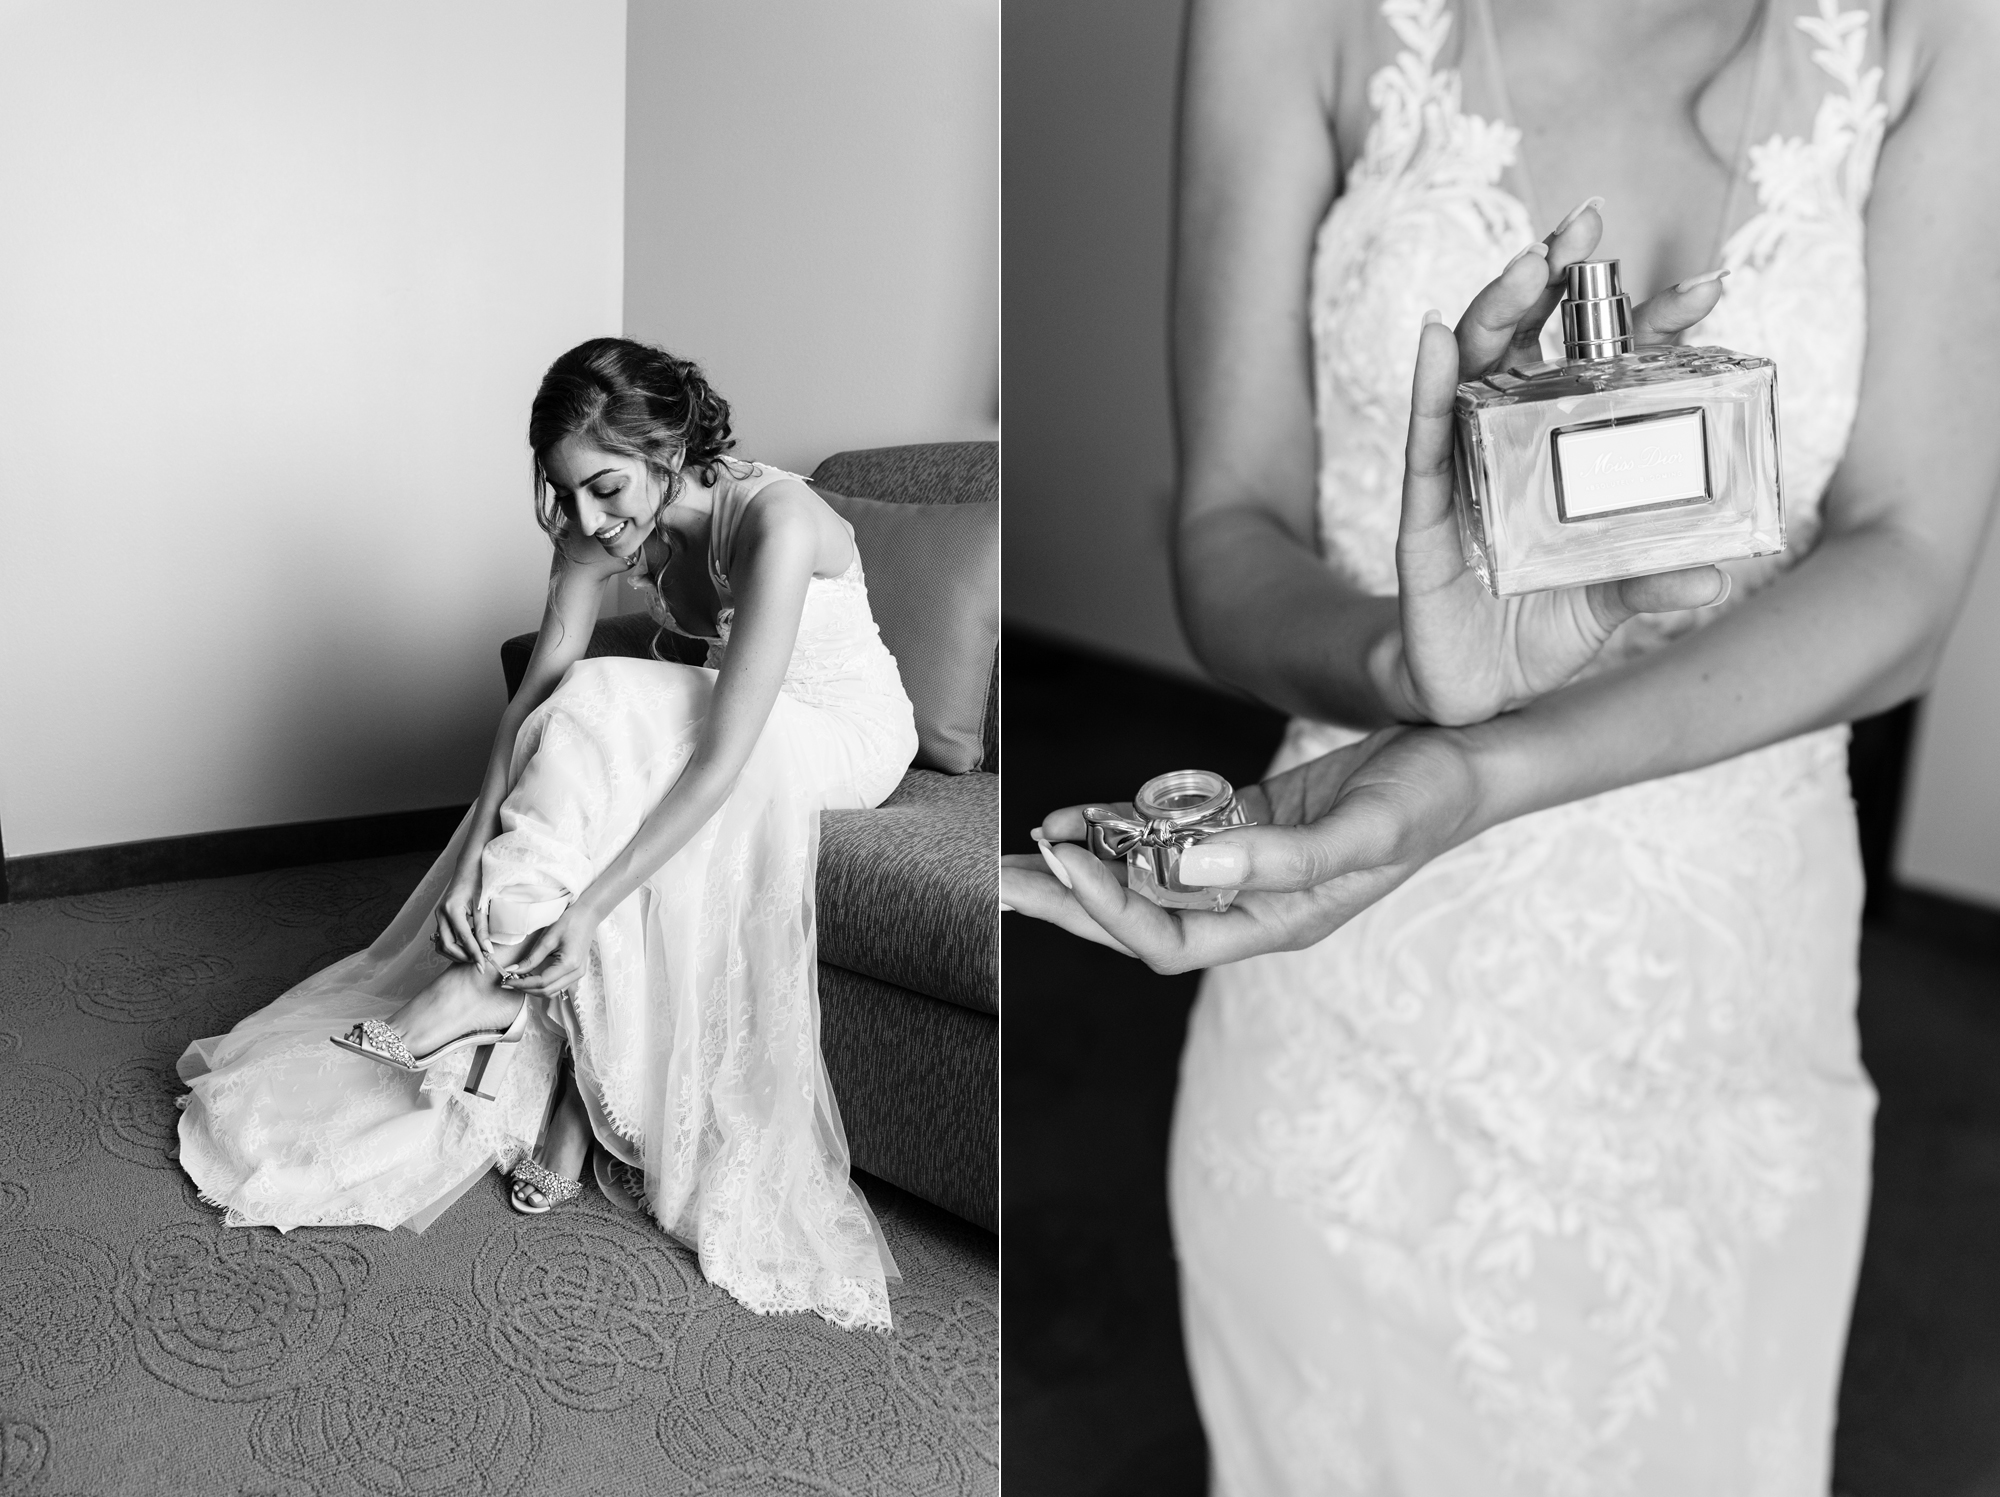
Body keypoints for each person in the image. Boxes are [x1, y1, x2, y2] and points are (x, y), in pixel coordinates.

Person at [1004, 0, 2000, 1486]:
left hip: (1720, 996)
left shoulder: (1935, 29)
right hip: (1356, 995)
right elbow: (1229, 528)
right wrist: (1409, 665)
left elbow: (1911, 562)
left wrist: (1487, 768)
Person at [179, 338, 919, 1332]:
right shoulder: (594, 521)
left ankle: (506, 1015)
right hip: (727, 722)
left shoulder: (777, 522)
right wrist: (473, 870)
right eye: (565, 494)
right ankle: (521, 1011)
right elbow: (533, 704)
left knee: (622, 706)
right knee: (582, 700)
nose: (587, 521)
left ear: (669, 447)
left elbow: (722, 761)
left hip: (840, 734)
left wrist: (595, 906)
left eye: (608, 489)